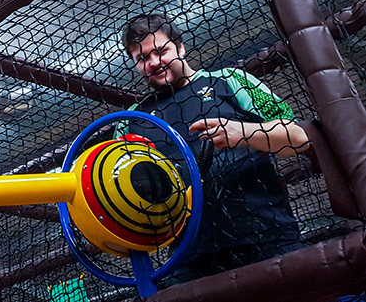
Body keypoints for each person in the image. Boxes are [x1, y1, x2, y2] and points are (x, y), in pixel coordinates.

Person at [114, 14, 311, 285]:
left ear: (181, 48)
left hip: (268, 237)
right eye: (142, 58)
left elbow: (299, 138)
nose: (154, 63)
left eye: (161, 51)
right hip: (189, 259)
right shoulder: (131, 121)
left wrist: (242, 132)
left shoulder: (230, 81)